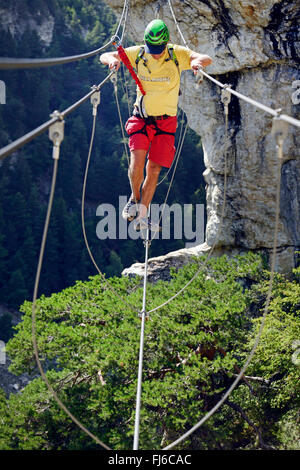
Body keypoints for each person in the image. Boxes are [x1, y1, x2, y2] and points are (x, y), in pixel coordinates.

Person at [100, 19, 212, 231]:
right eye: (153, 49)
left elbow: (205, 58)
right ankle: (134, 198)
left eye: (159, 49)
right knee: (137, 163)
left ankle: (142, 215)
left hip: (165, 122)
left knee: (153, 170)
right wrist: (111, 62)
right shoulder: (140, 53)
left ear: (167, 44)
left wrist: (197, 63)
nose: (156, 53)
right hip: (141, 118)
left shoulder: (177, 54)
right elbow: (106, 55)